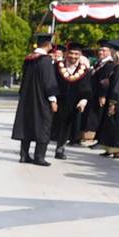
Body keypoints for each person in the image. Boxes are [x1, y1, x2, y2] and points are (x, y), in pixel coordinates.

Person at [12, 35, 59, 166]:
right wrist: (53, 99)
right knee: (43, 124)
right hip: (41, 99)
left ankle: (24, 155)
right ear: (48, 45)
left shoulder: (29, 59)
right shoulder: (45, 60)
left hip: (27, 97)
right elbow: (49, 82)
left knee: (27, 124)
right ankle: (39, 157)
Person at [51, 42, 91, 160]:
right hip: (56, 101)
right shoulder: (56, 67)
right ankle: (41, 147)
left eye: (76, 54)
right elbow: (50, 83)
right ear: (66, 53)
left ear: (80, 55)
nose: (73, 56)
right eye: (71, 53)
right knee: (51, 125)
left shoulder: (84, 71)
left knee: (66, 126)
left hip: (73, 103)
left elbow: (87, 87)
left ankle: (60, 148)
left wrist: (84, 99)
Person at [82, 41, 116, 146]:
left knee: (97, 115)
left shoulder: (109, 64)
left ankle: (93, 137)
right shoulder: (99, 63)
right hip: (93, 93)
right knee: (92, 114)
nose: (101, 52)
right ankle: (88, 135)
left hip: (100, 95)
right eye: (100, 50)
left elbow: (105, 81)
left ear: (109, 52)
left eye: (103, 50)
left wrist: (103, 95)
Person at [98, 41, 119, 157]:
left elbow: (117, 87)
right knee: (110, 125)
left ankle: (118, 150)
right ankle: (110, 148)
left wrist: (113, 102)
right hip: (115, 99)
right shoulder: (117, 67)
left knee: (116, 125)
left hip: (117, 101)